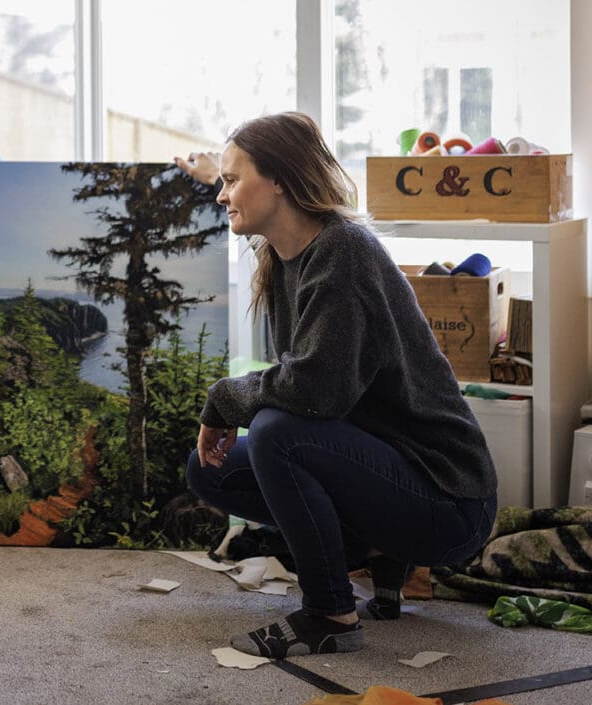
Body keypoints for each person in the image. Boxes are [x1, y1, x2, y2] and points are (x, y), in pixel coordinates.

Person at [173, 112, 497, 659]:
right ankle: (378, 555)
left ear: (279, 180)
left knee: (277, 432)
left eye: (231, 180)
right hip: (393, 472)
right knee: (210, 469)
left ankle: (330, 615)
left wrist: (223, 397)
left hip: (448, 501)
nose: (222, 195)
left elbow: (314, 391)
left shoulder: (343, 252)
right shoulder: (284, 256)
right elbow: (319, 393)